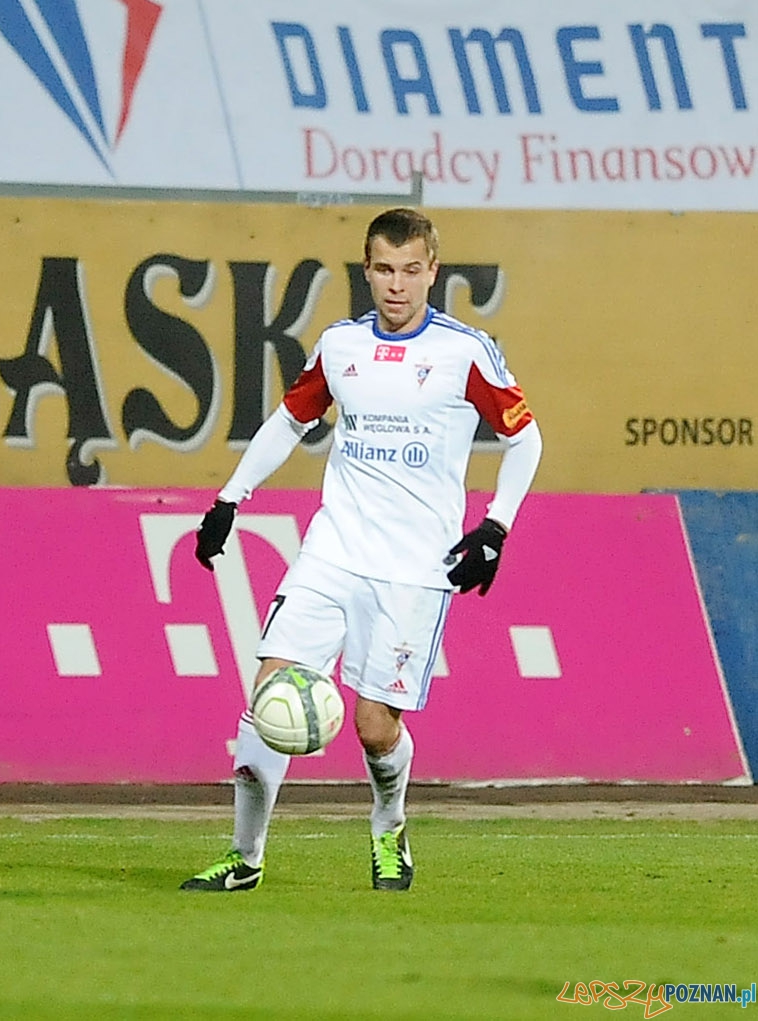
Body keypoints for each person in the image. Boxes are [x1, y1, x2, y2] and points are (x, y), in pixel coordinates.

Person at [180, 207, 542, 892]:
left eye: (411, 270)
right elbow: (291, 418)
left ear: (433, 271)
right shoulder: (340, 346)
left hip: (415, 568)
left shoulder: (465, 352)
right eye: (384, 269)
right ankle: (245, 856)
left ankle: (389, 823)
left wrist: (495, 527)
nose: (397, 285)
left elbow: (526, 439)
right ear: (366, 270)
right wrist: (231, 496)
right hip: (333, 552)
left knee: (375, 730)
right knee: (267, 697)